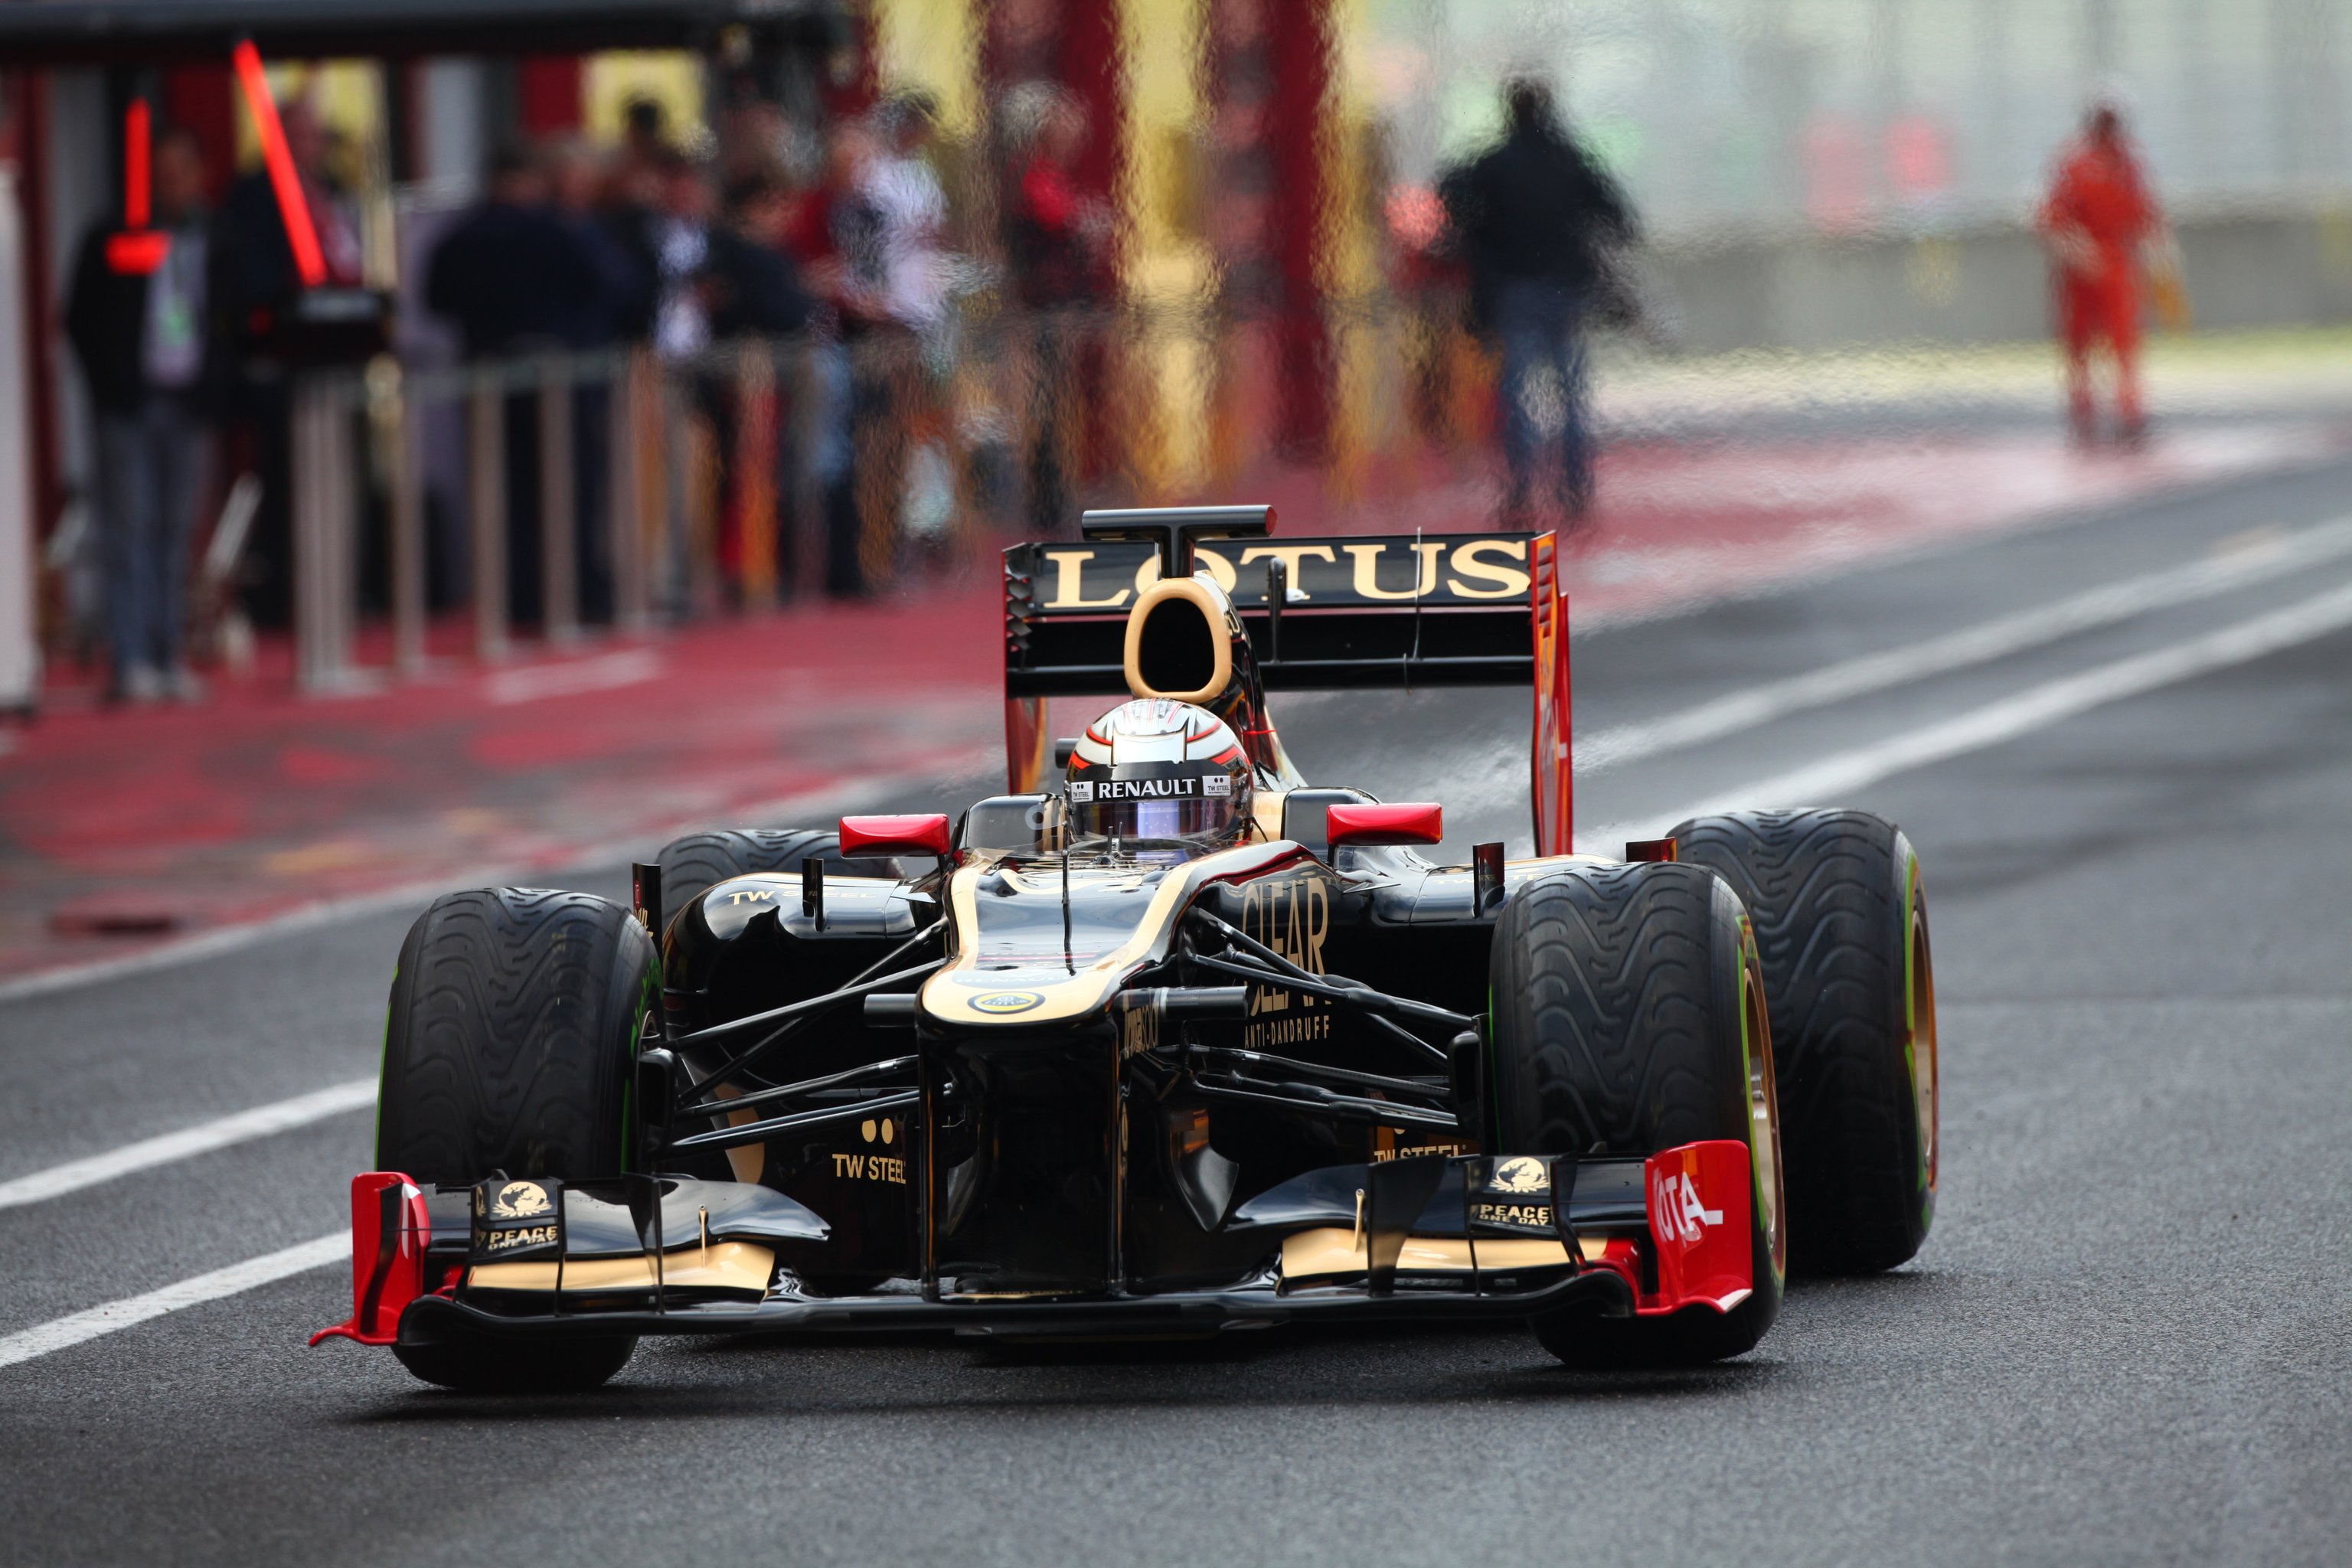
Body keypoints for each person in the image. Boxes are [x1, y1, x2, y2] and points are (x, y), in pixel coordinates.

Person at [64, 124, 217, 703]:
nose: (171, 185)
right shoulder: (115, 235)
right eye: (162, 174)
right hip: (129, 403)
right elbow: (80, 316)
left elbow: (225, 314)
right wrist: (109, 384)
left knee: (174, 531)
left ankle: (167, 652)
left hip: (185, 400)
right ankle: (130, 660)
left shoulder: (209, 235)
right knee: (128, 528)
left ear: (198, 176)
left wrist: (215, 386)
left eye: (181, 173)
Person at [1442, 77, 1635, 528]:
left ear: (1509, 111)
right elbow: (1619, 218)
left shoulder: (1493, 164)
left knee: (1516, 395)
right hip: (1566, 288)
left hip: (1514, 289)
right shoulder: (1571, 159)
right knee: (1571, 393)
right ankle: (1575, 489)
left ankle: (1520, 490)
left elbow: (1454, 200)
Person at [2040, 103, 2165, 446]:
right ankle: (2083, 410)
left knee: (2124, 338)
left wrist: (2158, 255)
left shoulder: (2130, 165)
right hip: (2080, 268)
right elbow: (2050, 218)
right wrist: (2074, 249)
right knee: (2079, 341)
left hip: (2117, 262)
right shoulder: (2073, 164)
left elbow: (2146, 214)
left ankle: (2129, 409)